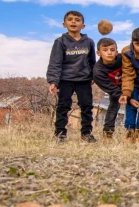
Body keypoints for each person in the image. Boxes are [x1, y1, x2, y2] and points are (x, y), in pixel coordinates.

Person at [47, 10, 96, 143]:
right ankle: (60, 134)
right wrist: (53, 81)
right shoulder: (60, 41)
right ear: (64, 24)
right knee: (63, 106)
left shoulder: (89, 42)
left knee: (87, 107)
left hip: (83, 80)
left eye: (77, 19)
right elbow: (55, 62)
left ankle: (86, 134)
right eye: (70, 19)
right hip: (65, 79)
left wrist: (93, 75)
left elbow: (92, 61)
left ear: (83, 25)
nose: (73, 21)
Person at [93, 38, 122, 142]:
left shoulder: (122, 59)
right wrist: (125, 97)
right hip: (114, 89)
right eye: (105, 50)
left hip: (129, 85)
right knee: (113, 106)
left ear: (117, 52)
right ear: (98, 52)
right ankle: (107, 133)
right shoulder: (98, 71)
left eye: (112, 49)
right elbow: (112, 90)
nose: (109, 53)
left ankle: (134, 132)